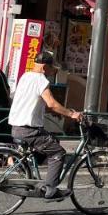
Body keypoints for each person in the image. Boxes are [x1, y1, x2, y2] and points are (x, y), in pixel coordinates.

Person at [8, 50, 82, 200]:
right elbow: (52, 103)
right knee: (58, 152)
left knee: (53, 141)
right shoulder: (41, 79)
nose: (53, 71)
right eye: (51, 68)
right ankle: (50, 189)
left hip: (16, 128)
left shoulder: (25, 76)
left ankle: (35, 175)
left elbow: (34, 100)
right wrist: (71, 114)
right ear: (44, 67)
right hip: (29, 131)